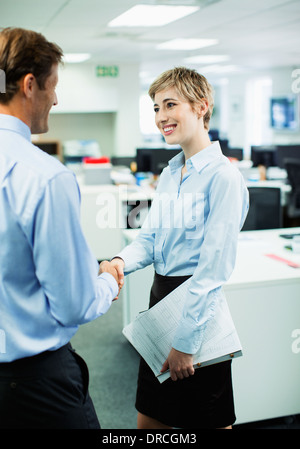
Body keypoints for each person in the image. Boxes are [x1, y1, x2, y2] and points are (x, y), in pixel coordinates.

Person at [111, 67, 249, 429]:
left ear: (201, 106)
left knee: (206, 420)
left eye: (169, 105)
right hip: (160, 303)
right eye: (156, 108)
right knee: (150, 418)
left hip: (198, 313)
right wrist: (119, 261)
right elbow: (151, 239)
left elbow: (212, 270)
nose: (160, 117)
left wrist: (186, 343)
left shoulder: (223, 177)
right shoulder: (172, 172)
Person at [0, 27, 122, 429]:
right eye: (53, 86)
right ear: (29, 85)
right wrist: (106, 281)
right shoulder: (44, 176)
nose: (56, 98)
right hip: (33, 387)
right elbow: (74, 304)